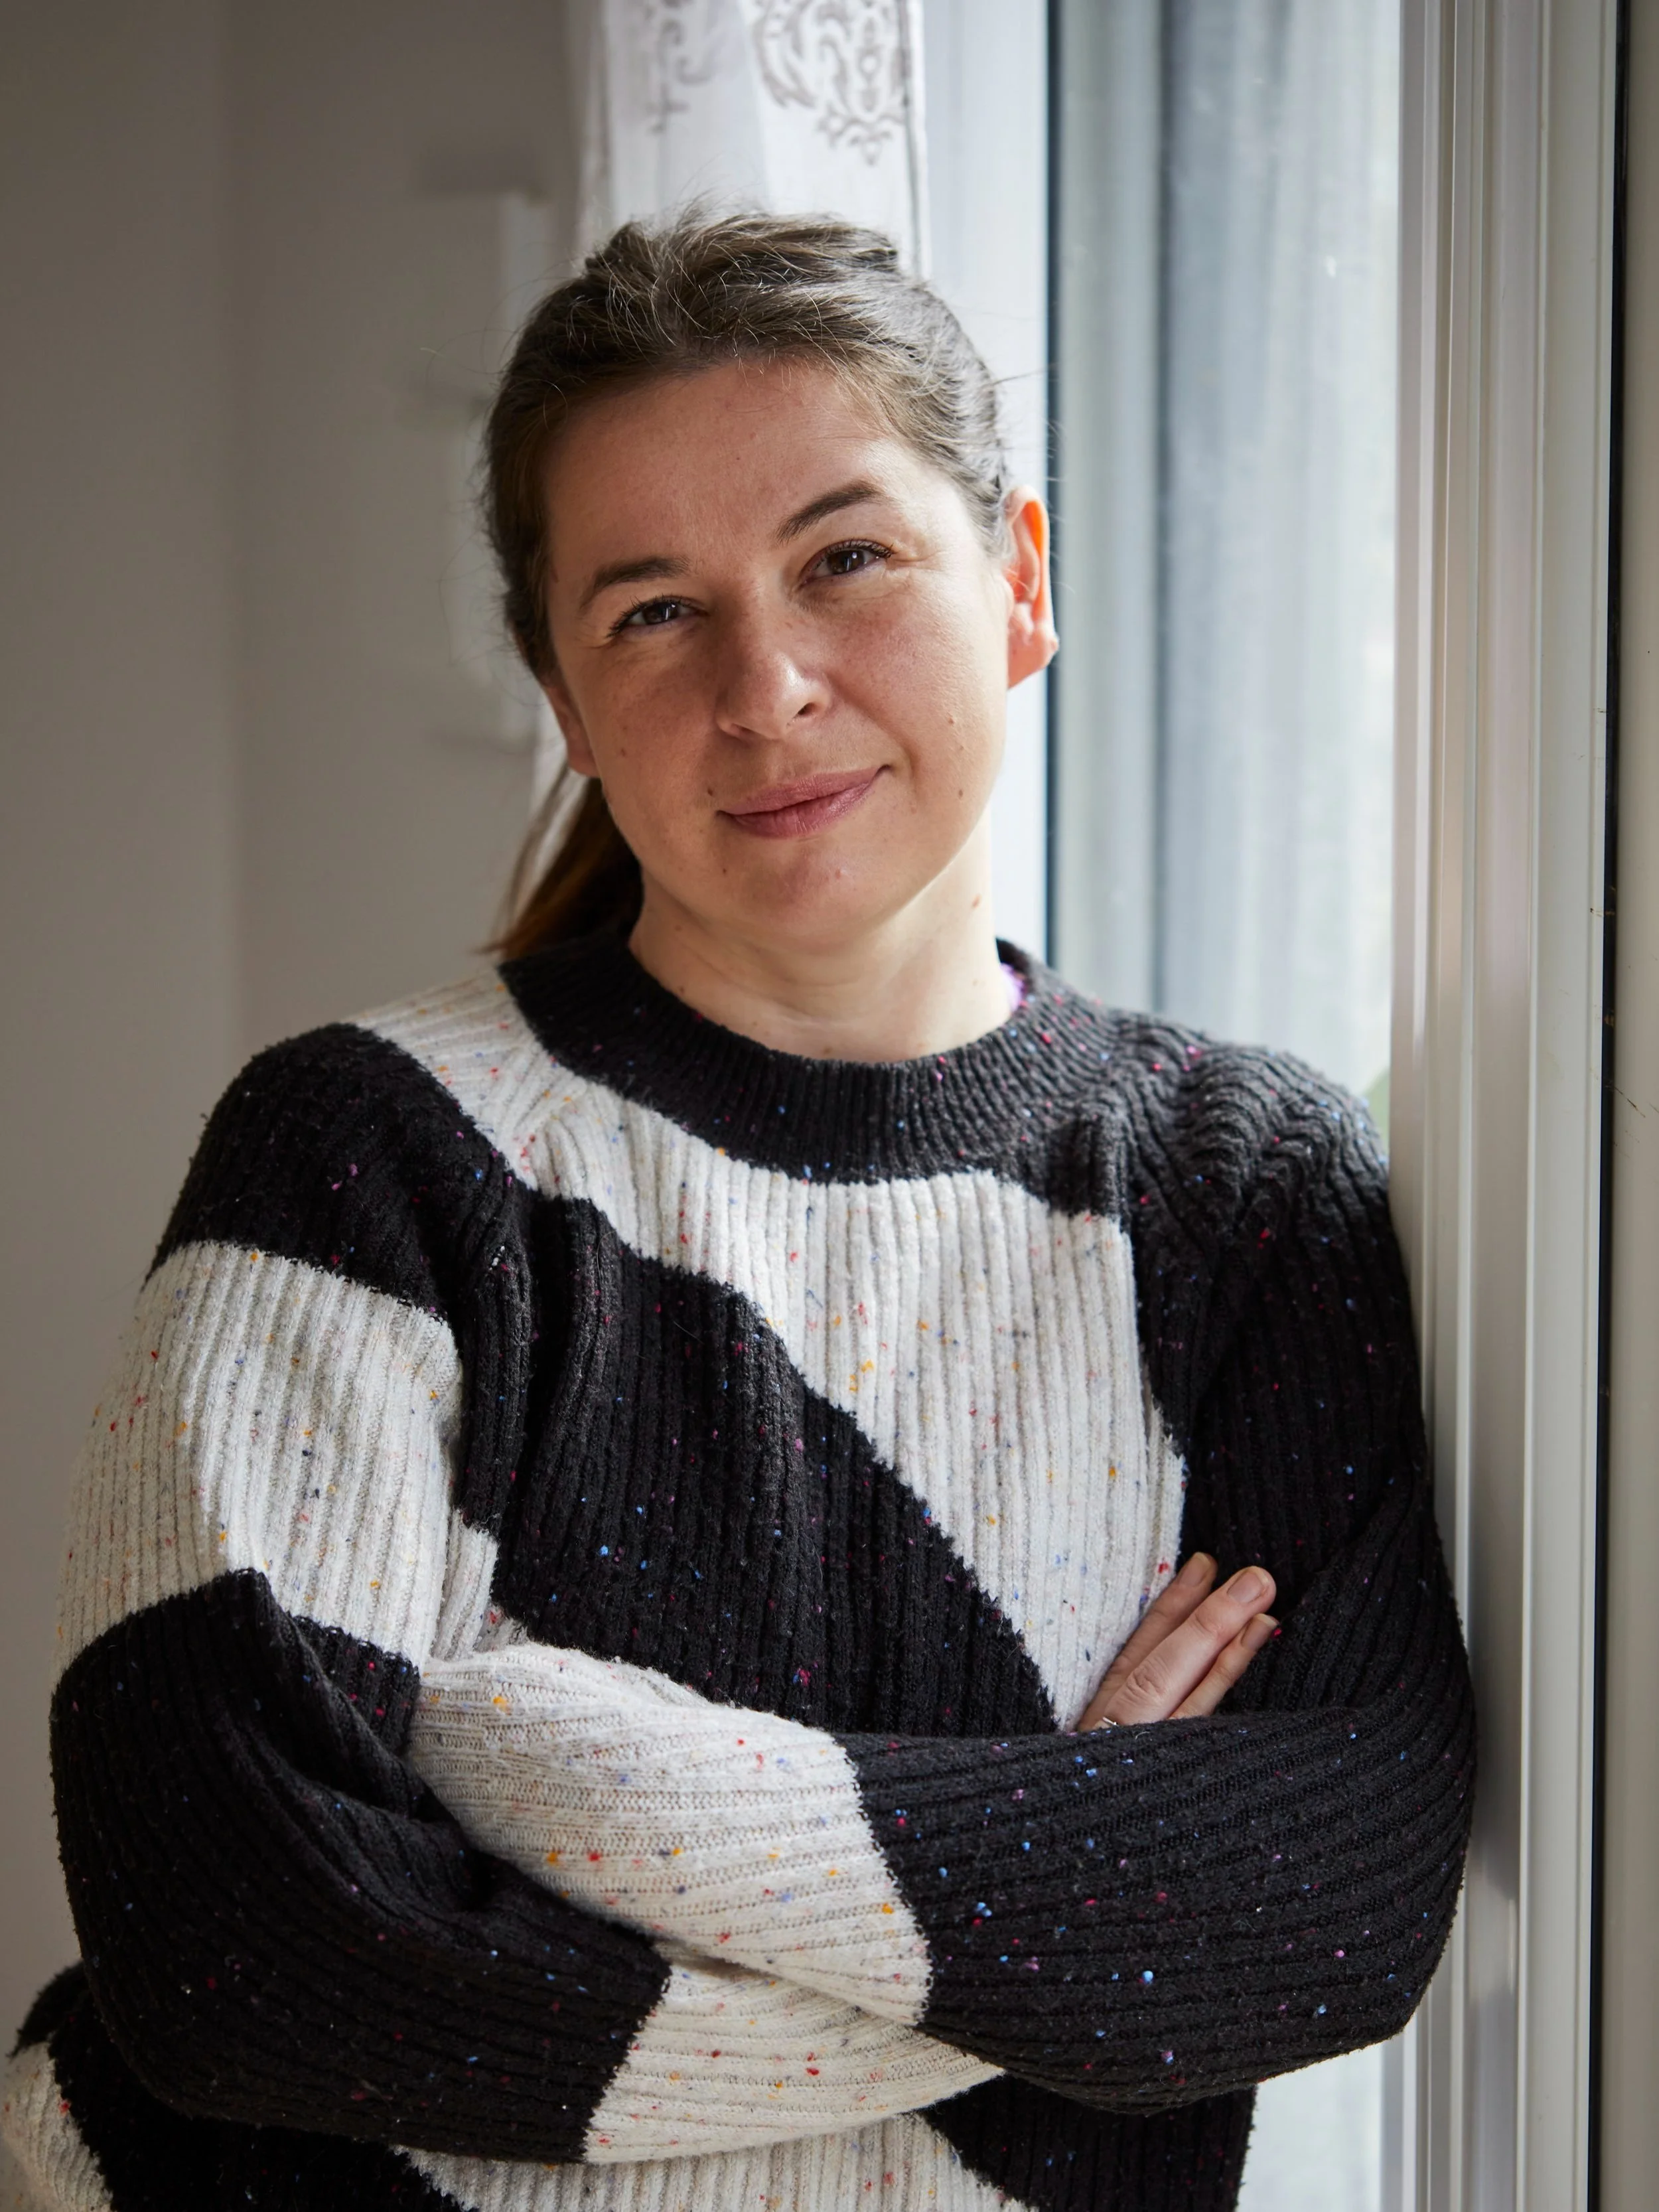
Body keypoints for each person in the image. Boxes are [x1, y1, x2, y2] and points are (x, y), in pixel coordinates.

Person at [3, 212, 1473, 2212]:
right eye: (651, 612)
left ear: (1020, 582)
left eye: (845, 559)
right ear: (563, 692)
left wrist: (582, 1778)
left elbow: (1334, 1906)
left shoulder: (1245, 1194)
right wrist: (1078, 1882)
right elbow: (235, 1960)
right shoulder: (372, 1155)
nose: (765, 689)